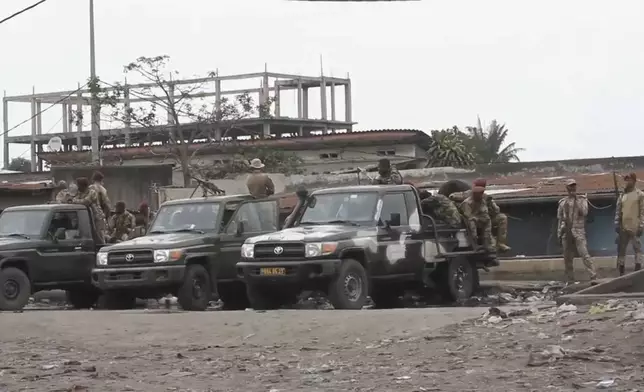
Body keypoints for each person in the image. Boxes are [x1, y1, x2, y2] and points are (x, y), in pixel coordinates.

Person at [450, 178, 511, 252]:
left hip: (486, 217)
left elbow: (496, 211)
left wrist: (490, 204)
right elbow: (453, 196)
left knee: (502, 218)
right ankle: (485, 244)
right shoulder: (468, 194)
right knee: (476, 222)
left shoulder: (486, 197)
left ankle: (501, 243)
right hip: (474, 218)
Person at [557, 179, 597, 283]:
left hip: (578, 231)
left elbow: (584, 212)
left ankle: (593, 275)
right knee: (567, 257)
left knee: (584, 254)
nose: (572, 188)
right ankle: (570, 278)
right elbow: (560, 218)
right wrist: (559, 233)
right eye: (570, 186)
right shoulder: (562, 202)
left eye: (574, 186)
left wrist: (576, 199)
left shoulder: (582, 200)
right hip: (566, 231)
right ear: (567, 188)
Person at [615, 172, 644, 276]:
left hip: (635, 226)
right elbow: (618, 211)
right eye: (626, 180)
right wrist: (616, 224)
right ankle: (621, 270)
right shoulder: (622, 195)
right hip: (623, 226)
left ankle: (638, 267)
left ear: (634, 181)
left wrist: (641, 225)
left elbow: (642, 212)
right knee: (621, 248)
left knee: (637, 248)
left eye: (629, 179)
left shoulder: (639, 194)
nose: (627, 181)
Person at [460, 184, 495, 252]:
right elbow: (468, 215)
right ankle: (474, 244)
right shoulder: (467, 202)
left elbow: (484, 211)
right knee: (471, 222)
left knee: (487, 219)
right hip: (468, 219)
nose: (482, 195)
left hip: (478, 218)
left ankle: (486, 244)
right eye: (480, 194)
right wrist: (476, 218)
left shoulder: (482, 201)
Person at [72, 177, 107, 242]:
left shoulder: (92, 192)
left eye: (78, 185)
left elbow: (86, 202)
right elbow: (73, 200)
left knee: (99, 235)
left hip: (97, 217)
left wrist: (75, 201)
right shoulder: (79, 193)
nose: (77, 187)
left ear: (82, 185)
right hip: (88, 218)